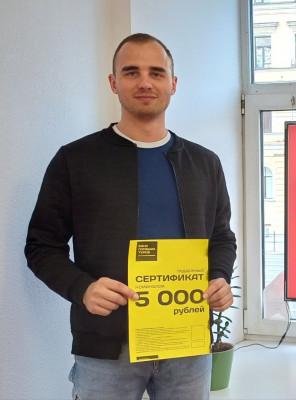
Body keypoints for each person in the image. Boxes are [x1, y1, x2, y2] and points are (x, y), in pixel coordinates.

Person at [25, 33, 236, 400]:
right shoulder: (75, 160)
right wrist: (83, 288)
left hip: (186, 343)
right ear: (113, 82)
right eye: (131, 72)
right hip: (107, 349)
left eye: (156, 73)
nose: (145, 82)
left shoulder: (204, 163)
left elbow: (221, 238)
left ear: (173, 84)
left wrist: (219, 277)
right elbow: (41, 246)